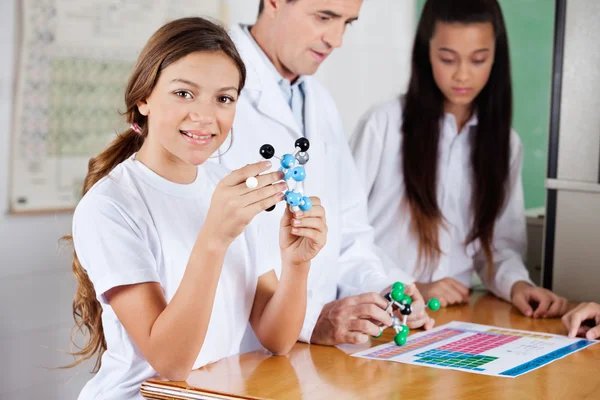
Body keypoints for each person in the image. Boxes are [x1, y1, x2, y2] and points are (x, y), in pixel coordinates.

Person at [64, 17, 327, 400]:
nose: (205, 115)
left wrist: (297, 264)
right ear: (144, 98)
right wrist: (215, 238)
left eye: (224, 98)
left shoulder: (227, 187)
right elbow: (171, 363)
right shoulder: (109, 206)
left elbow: (277, 339)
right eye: (184, 94)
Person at [212, 0, 434, 348]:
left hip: (306, 358)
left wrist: (383, 290)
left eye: (347, 23)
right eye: (325, 17)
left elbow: (348, 231)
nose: (336, 39)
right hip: (235, 349)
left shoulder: (319, 102)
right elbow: (211, 242)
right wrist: (310, 318)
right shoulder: (212, 94)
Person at [350, 0, 568, 318]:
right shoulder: (383, 125)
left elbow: (498, 246)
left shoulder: (504, 143)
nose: (463, 75)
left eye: (479, 59)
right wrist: (406, 287)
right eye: (447, 59)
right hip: (381, 313)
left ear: (496, 58)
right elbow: (346, 231)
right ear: (426, 54)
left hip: (455, 318)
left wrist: (519, 285)